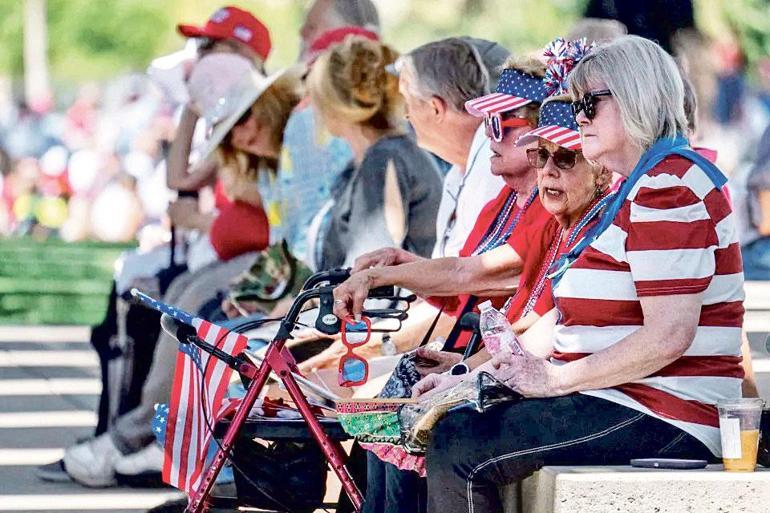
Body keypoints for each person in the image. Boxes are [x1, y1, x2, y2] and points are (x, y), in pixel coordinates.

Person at [421, 35, 743, 513]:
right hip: (629, 399)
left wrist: (555, 380)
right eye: (575, 104)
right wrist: (470, 377)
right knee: (441, 417)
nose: (580, 117)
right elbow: (568, 320)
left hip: (666, 411)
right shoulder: (637, 187)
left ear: (637, 97)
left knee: (461, 442)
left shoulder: (666, 187)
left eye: (589, 102)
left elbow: (669, 336)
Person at [62, 69, 302, 488]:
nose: (241, 134)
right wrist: (193, 112)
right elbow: (186, 181)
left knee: (195, 317)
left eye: (247, 120)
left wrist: (208, 221)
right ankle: (153, 435)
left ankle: (145, 438)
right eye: (232, 129)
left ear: (270, 111)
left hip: (279, 270)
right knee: (178, 305)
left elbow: (294, 240)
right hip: (268, 266)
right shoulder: (261, 162)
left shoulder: (292, 153)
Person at [300, 38, 517, 372]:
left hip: (466, 353)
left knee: (299, 390)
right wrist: (404, 269)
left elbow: (479, 283)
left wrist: (381, 342)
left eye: (409, 102)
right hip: (453, 346)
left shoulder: (492, 168)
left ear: (434, 107)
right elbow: (460, 284)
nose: (405, 114)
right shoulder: (458, 170)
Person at [304, 34, 443, 271]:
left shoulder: (383, 159)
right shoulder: (387, 154)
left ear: (335, 106)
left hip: (392, 305)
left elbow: (372, 272)